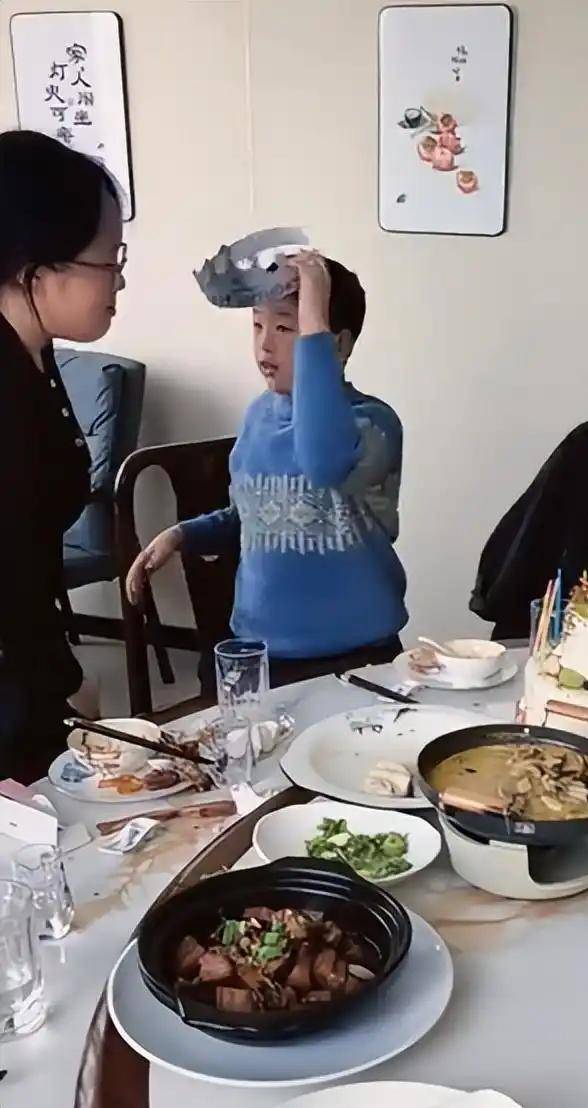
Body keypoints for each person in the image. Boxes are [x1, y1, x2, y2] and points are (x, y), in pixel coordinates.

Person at [127, 246, 408, 691]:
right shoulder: (257, 417)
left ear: (337, 344)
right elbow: (252, 515)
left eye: (286, 327)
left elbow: (322, 462)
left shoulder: (372, 425)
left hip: (358, 656)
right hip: (263, 652)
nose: (265, 343)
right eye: (257, 325)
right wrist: (181, 535)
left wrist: (315, 311)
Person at [0, 130, 126, 780]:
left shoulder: (35, 351)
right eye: (107, 260)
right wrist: (64, 679)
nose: (120, 278)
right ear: (38, 273)